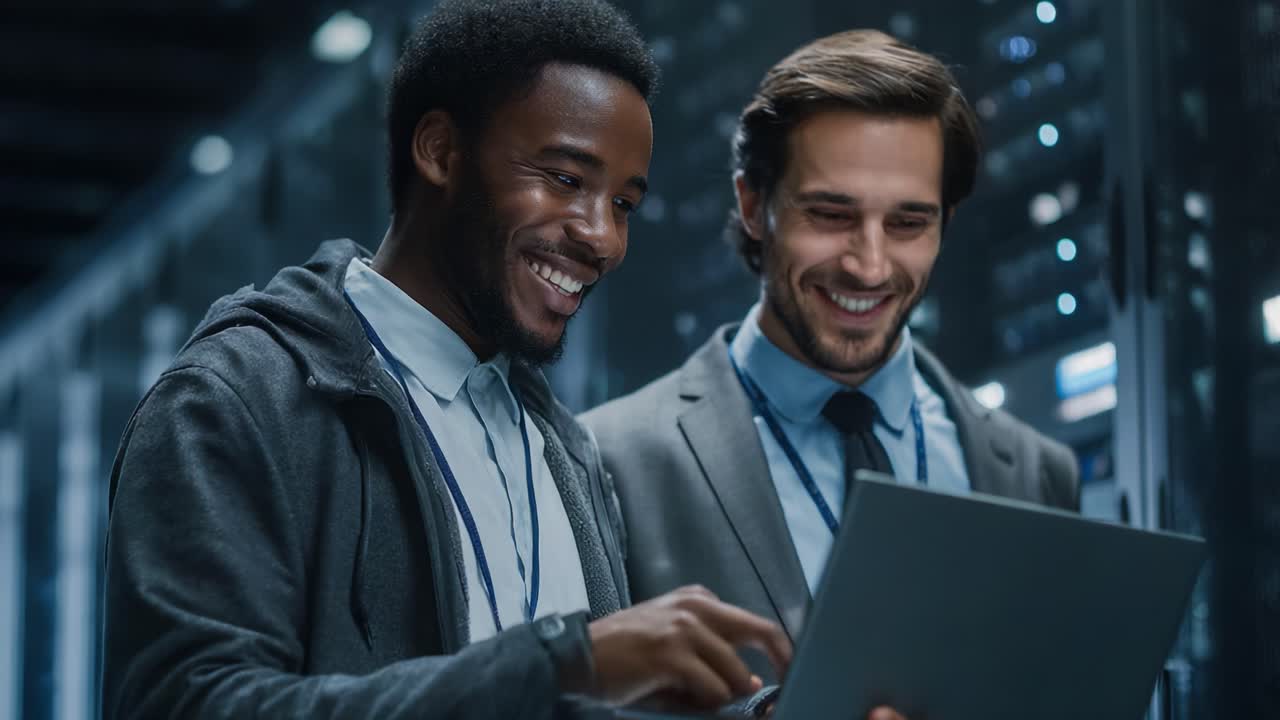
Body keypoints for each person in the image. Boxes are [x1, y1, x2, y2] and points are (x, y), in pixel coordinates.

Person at [101, 1, 793, 718]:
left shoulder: (565, 449)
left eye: (623, 203)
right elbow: (185, 705)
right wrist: (559, 665)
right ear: (438, 151)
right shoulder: (233, 401)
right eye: (564, 179)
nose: (603, 238)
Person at [582, 27, 1080, 699]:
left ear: (946, 222)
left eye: (908, 224)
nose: (869, 265)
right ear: (754, 206)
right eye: (831, 214)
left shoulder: (1038, 472)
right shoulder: (607, 459)